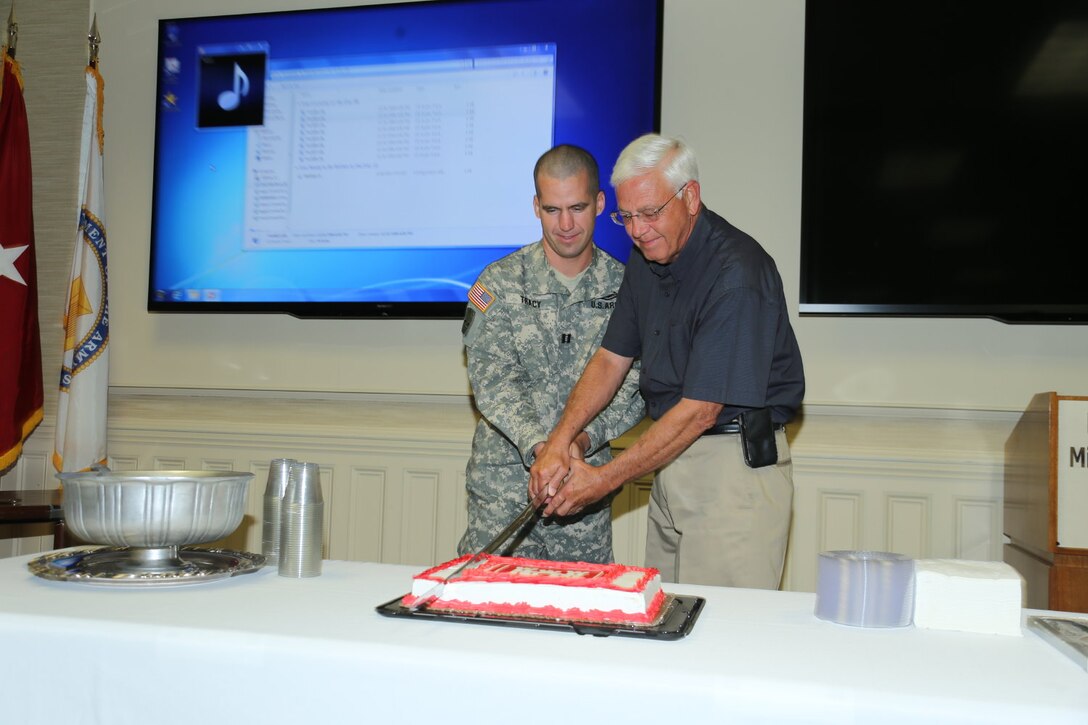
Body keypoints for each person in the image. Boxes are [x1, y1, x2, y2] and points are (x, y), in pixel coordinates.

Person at [529, 134, 805, 589]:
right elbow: (611, 357)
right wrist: (560, 441)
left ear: (690, 197)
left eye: (650, 213)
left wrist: (602, 481)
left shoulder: (737, 273)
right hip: (670, 458)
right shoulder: (649, 255)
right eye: (627, 217)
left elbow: (702, 410)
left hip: (730, 470)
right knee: (665, 620)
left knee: (720, 636)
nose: (638, 230)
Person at [457, 144, 645, 564]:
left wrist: (578, 442)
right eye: (552, 209)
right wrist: (543, 449)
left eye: (577, 208)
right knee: (488, 610)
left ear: (599, 203)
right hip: (504, 490)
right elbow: (492, 379)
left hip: (583, 490)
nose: (565, 224)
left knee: (582, 609)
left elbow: (635, 386)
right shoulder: (499, 283)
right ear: (535, 206)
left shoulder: (629, 288)